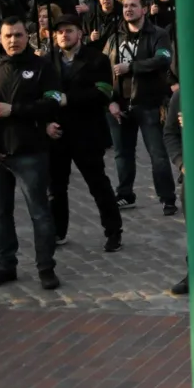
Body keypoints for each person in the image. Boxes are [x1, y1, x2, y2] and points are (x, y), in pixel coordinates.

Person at [47, 14, 122, 253]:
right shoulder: (48, 61)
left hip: (87, 132)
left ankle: (113, 231)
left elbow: (103, 92)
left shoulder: (96, 59)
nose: (63, 35)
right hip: (58, 134)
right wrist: (48, 122)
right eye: (59, 32)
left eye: (68, 31)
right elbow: (42, 94)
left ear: (79, 33)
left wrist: (70, 99)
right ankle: (58, 230)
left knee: (97, 184)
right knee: (56, 187)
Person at [0, 17, 61, 289]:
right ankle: (5, 265)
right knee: (0, 214)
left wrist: (15, 111)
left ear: (28, 36)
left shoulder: (42, 66)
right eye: (8, 35)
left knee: (39, 212)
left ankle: (46, 267)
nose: (14, 40)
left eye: (19, 35)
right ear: (1, 38)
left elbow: (53, 102)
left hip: (30, 152)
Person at [104, 0, 177, 214]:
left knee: (157, 154)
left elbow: (163, 59)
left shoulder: (158, 34)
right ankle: (125, 194)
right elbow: (104, 69)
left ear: (143, 9)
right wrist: (110, 102)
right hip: (120, 105)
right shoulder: (115, 36)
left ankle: (167, 197)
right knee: (122, 154)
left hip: (148, 103)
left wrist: (132, 67)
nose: (128, 9)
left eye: (133, 5)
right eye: (125, 6)